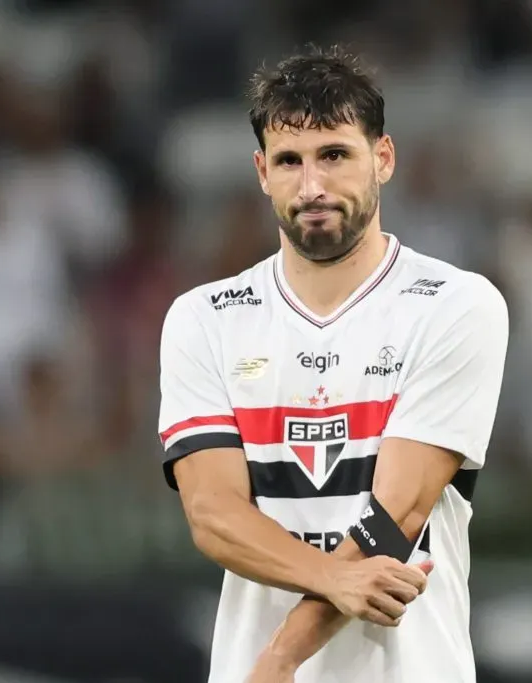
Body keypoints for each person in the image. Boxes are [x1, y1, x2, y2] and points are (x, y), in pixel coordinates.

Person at [156, 45, 509, 683]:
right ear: (262, 171)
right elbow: (212, 514)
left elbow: (397, 513)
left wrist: (280, 657)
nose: (312, 185)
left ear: (384, 158)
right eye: (290, 161)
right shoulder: (204, 318)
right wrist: (332, 579)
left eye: (335, 155)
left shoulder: (455, 305)